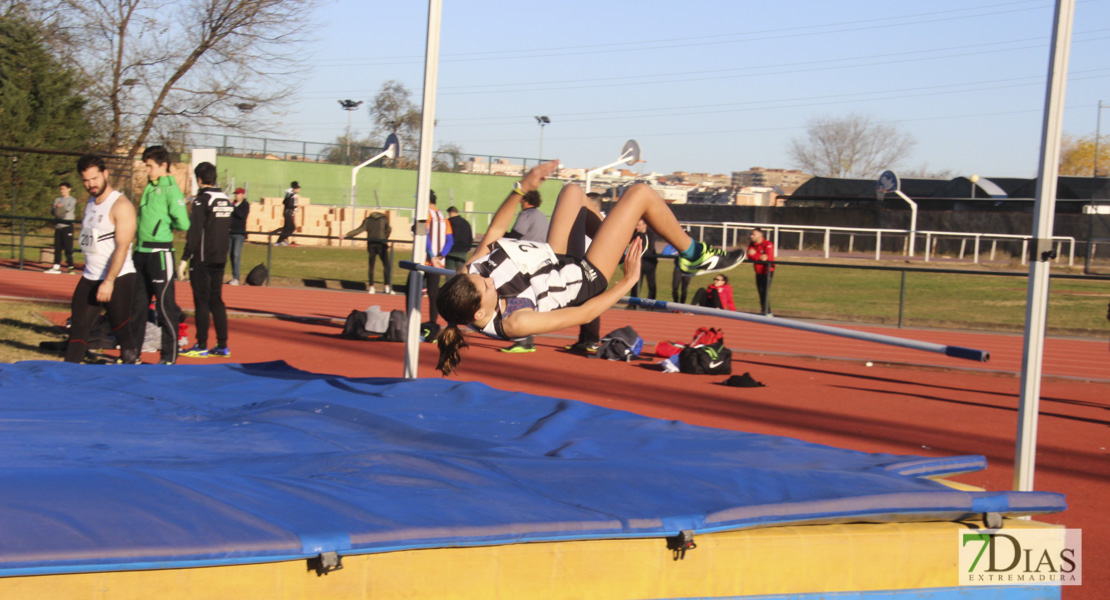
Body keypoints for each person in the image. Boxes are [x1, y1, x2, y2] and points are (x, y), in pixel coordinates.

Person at [434, 160, 745, 375]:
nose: (487, 280)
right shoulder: (514, 322)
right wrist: (628, 280)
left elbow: (493, 233)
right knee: (640, 193)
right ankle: (694, 254)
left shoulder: (469, 278)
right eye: (485, 286)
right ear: (478, 313)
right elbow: (583, 315)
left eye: (480, 278)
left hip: (553, 259)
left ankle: (620, 238)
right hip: (584, 277)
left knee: (572, 192)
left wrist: (520, 188)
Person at [65, 155, 139, 364]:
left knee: (120, 328)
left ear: (105, 174)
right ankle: (67, 375)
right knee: (78, 327)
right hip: (91, 276)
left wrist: (109, 281)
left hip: (118, 277)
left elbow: (122, 247)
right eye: (86, 180)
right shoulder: (90, 202)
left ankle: (131, 368)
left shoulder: (121, 205)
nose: (91, 184)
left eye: (95, 179)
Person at [130, 145, 190, 365]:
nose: (147, 171)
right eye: (146, 166)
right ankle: (131, 354)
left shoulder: (171, 190)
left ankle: (169, 357)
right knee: (137, 308)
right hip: (140, 253)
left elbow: (183, 222)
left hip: (160, 254)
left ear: (163, 166)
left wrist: (164, 227)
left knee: (165, 308)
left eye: (150, 166)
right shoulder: (149, 186)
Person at [179, 162, 233, 358]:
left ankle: (201, 344)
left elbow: (194, 232)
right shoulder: (226, 199)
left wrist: (185, 257)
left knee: (201, 302)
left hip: (202, 258)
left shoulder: (202, 200)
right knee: (216, 300)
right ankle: (222, 344)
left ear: (199, 179)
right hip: (220, 257)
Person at [500, 190, 549, 353]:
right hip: (539, 259)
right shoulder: (541, 216)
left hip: (523, 259)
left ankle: (522, 339)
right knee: (531, 299)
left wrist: (499, 236)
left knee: (518, 297)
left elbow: (515, 235)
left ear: (525, 200)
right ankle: (528, 339)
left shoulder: (526, 215)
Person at [408, 191, 452, 328]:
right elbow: (450, 241)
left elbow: (424, 235)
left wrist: (432, 256)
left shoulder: (425, 214)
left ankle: (411, 320)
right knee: (433, 293)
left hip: (424, 260)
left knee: (411, 288)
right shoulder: (443, 217)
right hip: (438, 263)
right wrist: (441, 256)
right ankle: (433, 323)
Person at [344, 210, 393, 294]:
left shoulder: (367, 220)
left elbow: (359, 229)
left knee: (371, 266)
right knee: (386, 265)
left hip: (371, 244)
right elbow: (388, 229)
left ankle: (371, 287)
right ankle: (387, 287)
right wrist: (385, 238)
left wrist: (347, 235)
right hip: (381, 244)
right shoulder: (384, 219)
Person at [46, 182, 78, 274]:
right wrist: (56, 208)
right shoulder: (57, 199)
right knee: (57, 247)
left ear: (69, 189)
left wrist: (61, 207)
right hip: (58, 226)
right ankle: (56, 266)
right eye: (61, 189)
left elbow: (68, 209)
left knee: (68, 248)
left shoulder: (72, 200)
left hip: (67, 226)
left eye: (64, 189)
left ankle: (70, 267)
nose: (62, 191)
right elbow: (53, 211)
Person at [627, 218, 659, 307]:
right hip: (639, 263)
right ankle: (632, 304)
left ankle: (651, 305)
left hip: (650, 264)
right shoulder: (634, 233)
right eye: (636, 225)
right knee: (635, 283)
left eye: (639, 225)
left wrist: (638, 252)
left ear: (645, 225)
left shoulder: (651, 234)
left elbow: (650, 248)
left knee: (651, 284)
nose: (637, 227)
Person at [747, 227, 775, 316]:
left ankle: (768, 312)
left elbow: (768, 258)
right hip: (758, 271)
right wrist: (760, 257)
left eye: (753, 234)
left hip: (767, 271)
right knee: (760, 291)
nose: (751, 236)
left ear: (760, 234)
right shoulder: (752, 244)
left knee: (765, 291)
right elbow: (749, 255)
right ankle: (764, 311)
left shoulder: (768, 244)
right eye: (751, 234)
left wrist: (755, 255)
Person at [227, 187, 249, 285]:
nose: (237, 195)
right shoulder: (233, 204)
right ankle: (233, 276)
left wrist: (233, 207)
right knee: (230, 254)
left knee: (236, 254)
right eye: (236, 194)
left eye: (239, 194)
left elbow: (242, 215)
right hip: (230, 233)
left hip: (239, 233)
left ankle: (236, 277)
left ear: (243, 195)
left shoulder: (245, 205)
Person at [445, 206, 473, 273]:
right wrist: (467, 248)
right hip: (463, 251)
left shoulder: (448, 223)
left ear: (450, 213)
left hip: (450, 251)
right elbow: (470, 237)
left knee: (448, 272)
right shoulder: (465, 223)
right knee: (461, 272)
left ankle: (450, 283)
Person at [275, 181, 299, 246]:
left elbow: (284, 202)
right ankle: (279, 241)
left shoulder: (289, 194)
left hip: (288, 213)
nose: (299, 190)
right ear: (295, 188)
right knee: (292, 228)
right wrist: (294, 207)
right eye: (298, 188)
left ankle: (280, 241)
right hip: (288, 213)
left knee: (286, 228)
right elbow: (288, 204)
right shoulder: (291, 195)